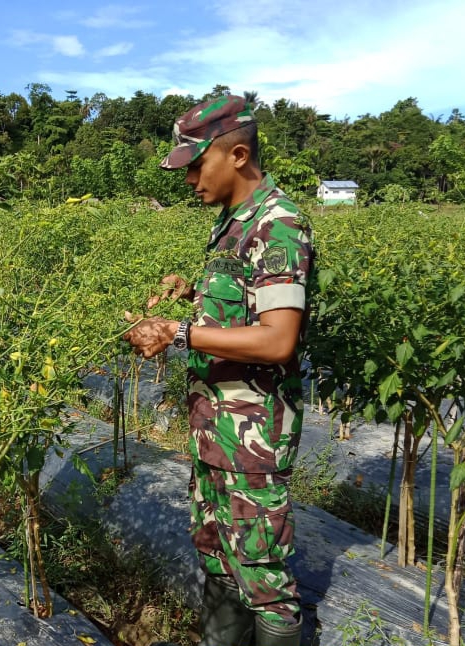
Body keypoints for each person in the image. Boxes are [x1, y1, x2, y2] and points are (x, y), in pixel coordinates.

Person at [124, 95, 313, 646]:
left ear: (235, 154)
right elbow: (242, 306)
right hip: (215, 429)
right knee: (217, 551)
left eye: (194, 165)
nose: (188, 181)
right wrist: (192, 293)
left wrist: (177, 332)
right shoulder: (232, 224)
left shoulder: (278, 226)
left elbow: (278, 340)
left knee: (263, 573)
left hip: (251, 439)